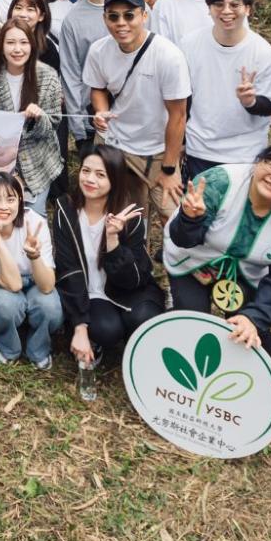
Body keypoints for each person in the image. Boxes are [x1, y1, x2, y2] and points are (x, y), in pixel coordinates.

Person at [164, 138, 271, 352]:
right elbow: (183, 239)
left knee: (256, 344)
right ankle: (177, 304)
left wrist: (254, 318)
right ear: (260, 161)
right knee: (193, 329)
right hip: (193, 261)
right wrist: (191, 219)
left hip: (247, 272)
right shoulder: (220, 182)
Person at [52, 143, 165, 399]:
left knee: (144, 318)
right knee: (107, 330)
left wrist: (113, 241)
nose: (90, 179)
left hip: (126, 289)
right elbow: (69, 270)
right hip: (91, 292)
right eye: (85, 171)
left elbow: (136, 278)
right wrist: (80, 326)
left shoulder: (130, 215)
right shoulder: (65, 209)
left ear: (114, 179)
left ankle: (144, 357)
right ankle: (94, 337)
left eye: (100, 175)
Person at [85, 0, 192, 215]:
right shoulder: (98, 51)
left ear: (144, 16)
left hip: (157, 148)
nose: (121, 23)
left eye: (129, 15)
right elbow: (98, 88)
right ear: (105, 19)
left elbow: (178, 115)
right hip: (116, 142)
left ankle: (168, 252)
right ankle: (128, 249)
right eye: (113, 17)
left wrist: (170, 168)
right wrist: (101, 111)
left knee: (170, 213)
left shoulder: (168, 56)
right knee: (122, 213)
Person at [180, 0, 271, 178]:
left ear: (248, 10)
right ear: (209, 9)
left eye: (235, 5)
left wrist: (251, 101)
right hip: (200, 147)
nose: (226, 11)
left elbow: (270, 106)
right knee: (199, 208)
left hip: (245, 152)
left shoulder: (263, 52)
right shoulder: (189, 44)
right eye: (219, 5)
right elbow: (182, 97)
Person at [0, 172, 60, 369]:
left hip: (36, 280)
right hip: (4, 283)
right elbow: (14, 284)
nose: (3, 206)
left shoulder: (35, 223)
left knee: (50, 308)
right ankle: (8, 347)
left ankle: (39, 349)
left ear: (20, 200)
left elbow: (47, 286)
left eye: (10, 199)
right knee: (3, 306)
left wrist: (34, 256)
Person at [0, 20, 67, 215]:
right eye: (10, 43)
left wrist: (38, 118)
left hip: (39, 162)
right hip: (3, 164)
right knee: (4, 217)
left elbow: (53, 125)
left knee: (34, 218)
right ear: (1, 46)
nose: (17, 49)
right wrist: (6, 148)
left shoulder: (47, 76)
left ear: (32, 45)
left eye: (24, 42)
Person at [57, 0, 114, 156]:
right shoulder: (73, 19)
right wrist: (79, 124)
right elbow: (71, 73)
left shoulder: (135, 8)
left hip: (134, 120)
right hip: (92, 120)